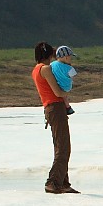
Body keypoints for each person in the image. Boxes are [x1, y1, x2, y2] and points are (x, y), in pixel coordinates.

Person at [32, 42, 78, 194]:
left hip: (51, 108)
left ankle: (63, 182)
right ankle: (53, 182)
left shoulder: (36, 69)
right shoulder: (45, 69)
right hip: (55, 107)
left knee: (61, 145)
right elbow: (58, 92)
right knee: (63, 147)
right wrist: (67, 90)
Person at [49, 45, 77, 115]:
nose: (71, 59)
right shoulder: (69, 68)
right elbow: (73, 76)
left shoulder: (52, 64)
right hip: (66, 87)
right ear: (66, 57)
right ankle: (67, 107)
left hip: (54, 84)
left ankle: (67, 107)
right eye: (70, 57)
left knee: (63, 96)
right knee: (65, 96)